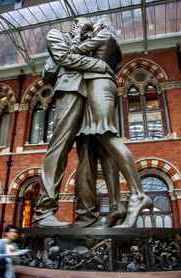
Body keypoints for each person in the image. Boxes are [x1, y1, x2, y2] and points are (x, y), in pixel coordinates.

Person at [33, 17, 115, 228]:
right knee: (59, 146)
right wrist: (100, 65)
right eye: (83, 26)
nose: (87, 30)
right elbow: (64, 58)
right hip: (69, 89)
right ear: (73, 25)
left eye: (89, 28)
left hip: (91, 94)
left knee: (89, 155)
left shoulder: (91, 42)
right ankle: (43, 212)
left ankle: (86, 216)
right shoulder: (56, 35)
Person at [72, 17, 153, 228]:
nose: (93, 28)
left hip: (98, 87)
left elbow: (76, 51)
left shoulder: (103, 34)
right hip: (104, 86)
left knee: (106, 135)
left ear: (101, 25)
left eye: (95, 25)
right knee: (103, 146)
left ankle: (137, 194)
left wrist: (82, 31)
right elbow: (115, 66)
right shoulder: (114, 44)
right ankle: (117, 204)